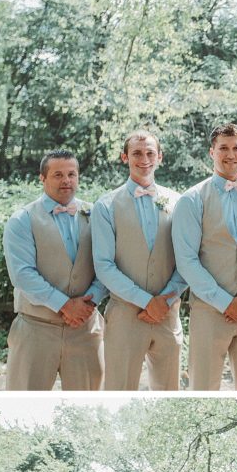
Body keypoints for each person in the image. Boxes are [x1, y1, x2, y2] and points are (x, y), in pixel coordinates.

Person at [173, 123, 237, 390]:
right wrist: (225, 302)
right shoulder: (192, 199)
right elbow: (187, 260)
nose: (231, 154)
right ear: (211, 152)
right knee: (203, 388)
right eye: (223, 148)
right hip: (208, 310)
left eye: (236, 147)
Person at [3, 149, 106, 390]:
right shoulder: (22, 220)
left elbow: (107, 264)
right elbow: (22, 274)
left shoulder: (97, 215)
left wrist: (90, 303)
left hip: (85, 329)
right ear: (42, 178)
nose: (66, 180)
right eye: (58, 174)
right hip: (36, 329)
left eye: (72, 174)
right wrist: (65, 305)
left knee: (88, 402)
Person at [91, 130, 186, 390]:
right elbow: (104, 265)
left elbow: (186, 259)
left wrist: (164, 300)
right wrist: (146, 302)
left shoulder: (179, 202)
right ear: (125, 157)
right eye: (136, 153)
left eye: (149, 153)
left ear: (160, 157)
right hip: (124, 316)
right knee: (119, 389)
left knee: (169, 393)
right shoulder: (106, 205)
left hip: (168, 314)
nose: (144, 159)